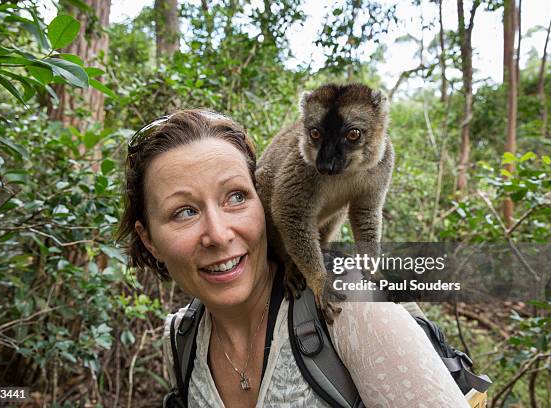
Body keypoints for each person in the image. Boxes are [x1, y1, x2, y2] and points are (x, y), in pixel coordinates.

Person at [118, 109, 469, 407]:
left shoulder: (353, 310)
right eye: (183, 212)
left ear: (261, 199)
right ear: (148, 239)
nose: (219, 234)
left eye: (237, 197)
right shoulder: (181, 339)